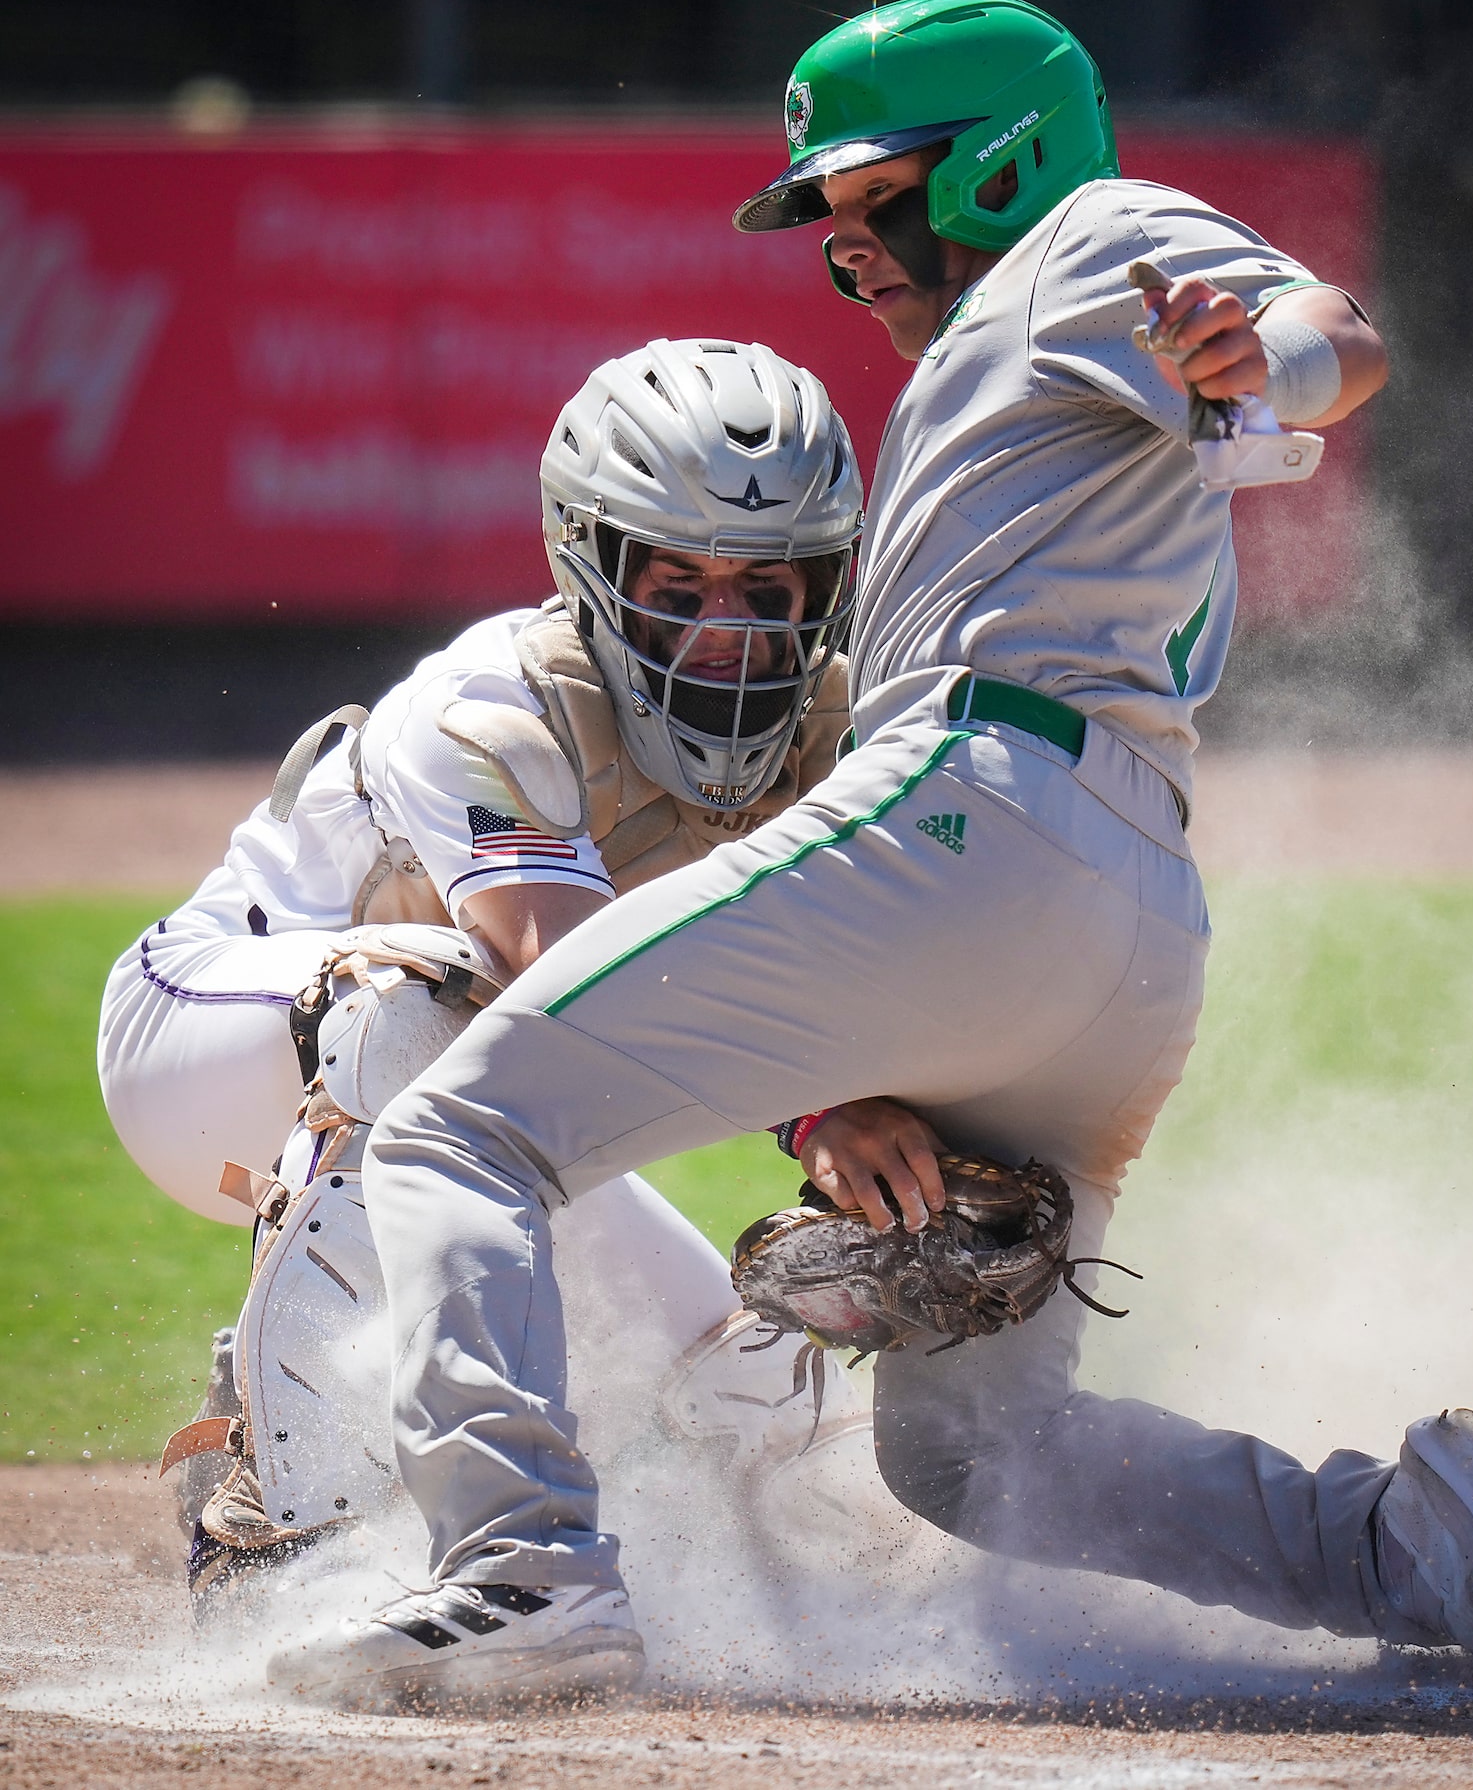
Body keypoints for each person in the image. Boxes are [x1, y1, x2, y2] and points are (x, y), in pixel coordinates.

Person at [267, 0, 1473, 1707]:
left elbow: (1329, 335)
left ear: (1005, 156)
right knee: (974, 1449)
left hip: (975, 812)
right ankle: (1411, 1550)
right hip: (1122, 920)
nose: (847, 252)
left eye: (872, 195)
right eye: (824, 224)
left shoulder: (1082, 239)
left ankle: (518, 1559)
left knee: (461, 1122)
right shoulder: (1021, 352)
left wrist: (1256, 351)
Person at [98, 337, 914, 1616]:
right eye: (680, 577)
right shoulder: (495, 704)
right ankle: (277, 1532)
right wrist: (814, 1111)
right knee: (421, 994)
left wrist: (944, 1153)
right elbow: (565, 983)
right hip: (210, 1036)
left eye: (769, 584)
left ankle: (734, 1626)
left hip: (456, 1089)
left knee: (761, 1413)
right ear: (594, 564)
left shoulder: (841, 726)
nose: (727, 628)